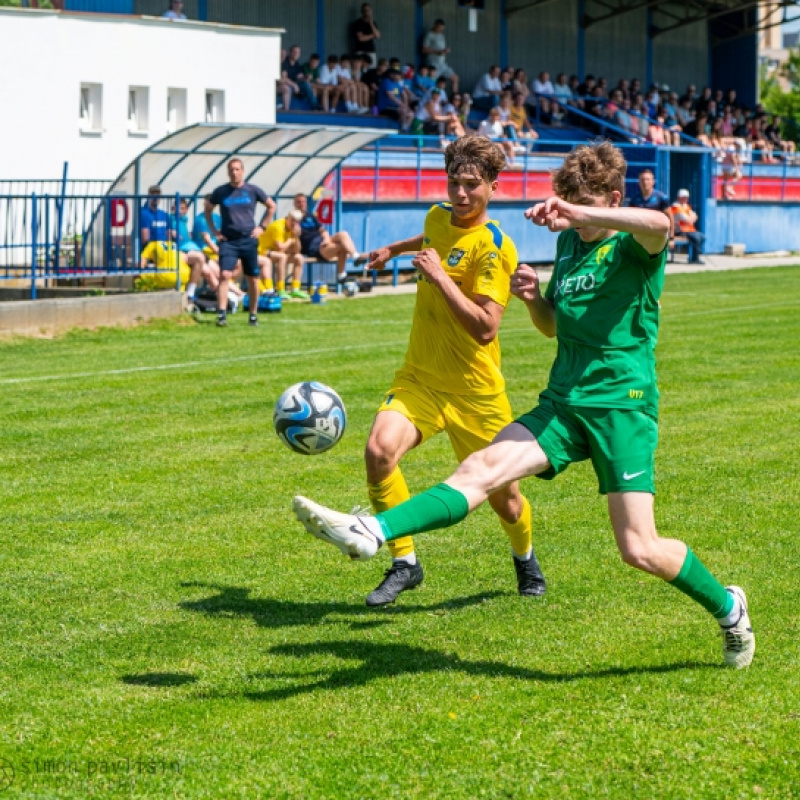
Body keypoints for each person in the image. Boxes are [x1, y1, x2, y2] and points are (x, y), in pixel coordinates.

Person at [293, 140, 755, 671]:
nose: (576, 217)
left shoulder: (634, 248)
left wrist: (581, 213)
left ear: (610, 197)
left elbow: (660, 223)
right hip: (562, 403)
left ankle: (728, 605)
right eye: (570, 202)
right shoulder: (571, 248)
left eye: (585, 203)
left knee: (640, 549)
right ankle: (374, 533)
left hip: (621, 407)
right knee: (481, 468)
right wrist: (536, 298)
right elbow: (554, 326)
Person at [303, 135, 547, 606]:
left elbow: (485, 327)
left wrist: (439, 278)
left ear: (493, 187)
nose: (460, 194)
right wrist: (392, 250)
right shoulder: (438, 216)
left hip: (475, 393)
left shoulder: (495, 247)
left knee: (506, 500)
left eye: (471, 185)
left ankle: (525, 559)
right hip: (420, 378)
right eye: (454, 182)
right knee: (378, 453)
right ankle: (405, 562)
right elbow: (433, 238)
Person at [205, 158, 275, 328]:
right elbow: (208, 209)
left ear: (242, 171)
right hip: (229, 241)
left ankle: (253, 315)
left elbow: (271, 206)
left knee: (253, 279)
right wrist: (215, 231)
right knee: (224, 276)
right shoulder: (221, 191)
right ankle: (221, 315)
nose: (234, 173)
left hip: (248, 240)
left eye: (237, 169)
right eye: (231, 170)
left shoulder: (252, 190)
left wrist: (262, 227)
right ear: (228, 172)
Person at [293, 193, 368, 282]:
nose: (301, 204)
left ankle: (355, 256)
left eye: (303, 202)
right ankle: (341, 274)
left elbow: (322, 230)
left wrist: (326, 238)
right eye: (299, 202)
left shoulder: (311, 216)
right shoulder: (292, 219)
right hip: (314, 248)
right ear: (294, 204)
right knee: (342, 247)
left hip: (322, 241)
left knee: (343, 234)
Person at [169, 196, 215, 301]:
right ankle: (190, 292)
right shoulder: (170, 219)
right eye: (178, 208)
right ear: (173, 208)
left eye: (183, 208)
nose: (180, 211)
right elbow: (166, 231)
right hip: (184, 252)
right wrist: (171, 232)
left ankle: (229, 298)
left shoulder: (184, 219)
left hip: (194, 249)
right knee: (202, 262)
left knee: (211, 273)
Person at [257, 208, 307, 300]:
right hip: (261, 250)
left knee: (299, 258)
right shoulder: (279, 226)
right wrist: (291, 240)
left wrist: (296, 237)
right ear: (288, 218)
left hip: (274, 251)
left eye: (296, 222)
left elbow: (297, 250)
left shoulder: (293, 229)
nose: (293, 224)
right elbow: (280, 248)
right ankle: (280, 289)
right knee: (282, 257)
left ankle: (295, 289)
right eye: (292, 220)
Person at [422, 19, 459, 94]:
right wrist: (438, 52)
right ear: (434, 25)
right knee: (434, 84)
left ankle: (455, 99)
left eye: (442, 28)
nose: (440, 30)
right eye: (439, 28)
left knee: (455, 78)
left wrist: (445, 50)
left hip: (443, 64)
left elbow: (440, 48)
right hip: (433, 64)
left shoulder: (441, 35)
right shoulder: (429, 35)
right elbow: (424, 50)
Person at [277, 45, 317, 111]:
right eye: (295, 52)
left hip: (295, 86)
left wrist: (306, 77)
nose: (296, 54)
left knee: (307, 84)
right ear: (290, 53)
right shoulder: (284, 61)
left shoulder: (296, 64)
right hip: (287, 86)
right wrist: (294, 85)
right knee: (287, 87)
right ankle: (286, 109)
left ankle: (315, 107)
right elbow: (284, 78)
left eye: (298, 52)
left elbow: (300, 76)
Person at [670, 188, 704, 263]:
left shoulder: (686, 206)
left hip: (689, 230)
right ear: (679, 197)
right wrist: (691, 218)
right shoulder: (675, 207)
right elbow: (687, 219)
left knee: (701, 236)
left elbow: (695, 216)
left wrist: (691, 218)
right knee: (696, 237)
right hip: (679, 230)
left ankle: (694, 257)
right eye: (683, 197)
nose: (685, 199)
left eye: (686, 197)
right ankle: (695, 259)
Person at [352, 3, 380, 69]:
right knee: (359, 69)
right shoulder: (358, 23)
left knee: (372, 69)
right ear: (362, 12)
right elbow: (361, 38)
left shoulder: (373, 23)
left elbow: (378, 36)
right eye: (365, 10)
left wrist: (371, 23)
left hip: (370, 50)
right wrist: (372, 35)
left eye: (368, 10)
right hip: (360, 50)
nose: (367, 12)